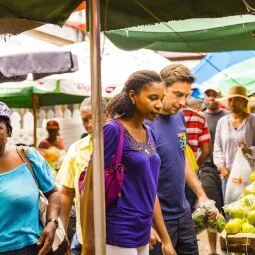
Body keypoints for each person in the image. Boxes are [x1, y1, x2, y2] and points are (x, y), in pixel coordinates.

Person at [81, 70, 176, 255]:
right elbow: (90, 186)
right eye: (153, 98)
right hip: (118, 228)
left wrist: (166, 239)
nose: (159, 105)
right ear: (133, 95)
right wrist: (89, 242)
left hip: (143, 228)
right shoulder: (112, 130)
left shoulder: (150, 134)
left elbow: (150, 188)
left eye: (161, 98)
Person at [148, 64, 214, 255]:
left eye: (186, 95)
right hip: (157, 221)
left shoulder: (179, 117)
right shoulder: (145, 124)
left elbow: (182, 156)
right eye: (177, 94)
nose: (183, 102)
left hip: (183, 213)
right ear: (161, 88)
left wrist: (201, 195)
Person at [0, 102, 60, 255]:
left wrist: (52, 223)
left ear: (8, 130)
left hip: (29, 248)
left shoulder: (27, 157)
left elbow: (53, 193)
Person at [57, 97, 107, 255]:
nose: (90, 124)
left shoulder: (122, 145)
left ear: (108, 114)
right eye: (85, 120)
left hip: (117, 236)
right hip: (83, 235)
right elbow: (65, 194)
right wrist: (62, 234)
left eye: (94, 117)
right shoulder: (76, 149)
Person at [199, 86, 229, 255]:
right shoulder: (201, 117)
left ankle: (228, 246)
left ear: (220, 97)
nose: (211, 98)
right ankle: (213, 250)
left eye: (214, 95)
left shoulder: (227, 117)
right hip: (209, 169)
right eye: (208, 95)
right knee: (211, 209)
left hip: (228, 170)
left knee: (228, 208)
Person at [214, 85, 255, 199]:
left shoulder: (252, 121)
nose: (232, 103)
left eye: (237, 99)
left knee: (248, 209)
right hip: (228, 175)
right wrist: (221, 166)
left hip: (250, 176)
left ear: (244, 102)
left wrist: (249, 150)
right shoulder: (222, 122)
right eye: (230, 100)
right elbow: (217, 148)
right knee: (230, 208)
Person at [182, 96, 211, 211]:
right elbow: (206, 151)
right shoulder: (199, 117)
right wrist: (194, 166)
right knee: (190, 210)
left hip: (170, 175)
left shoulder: (162, 116)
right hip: (192, 173)